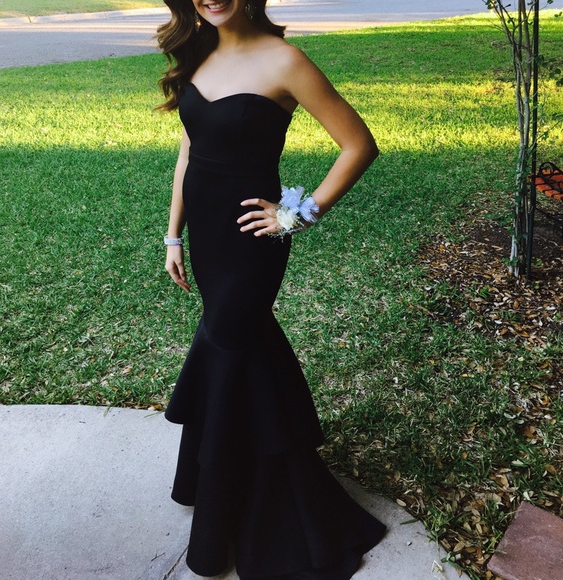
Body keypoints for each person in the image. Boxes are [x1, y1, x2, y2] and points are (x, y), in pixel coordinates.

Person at [157, 0, 386, 577]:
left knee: (229, 349)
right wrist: (173, 235)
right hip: (207, 239)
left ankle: (254, 515)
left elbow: (359, 145)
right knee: (243, 351)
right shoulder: (200, 54)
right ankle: (240, 472)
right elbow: (188, 151)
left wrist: (299, 214)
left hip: (251, 243)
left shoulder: (286, 61)